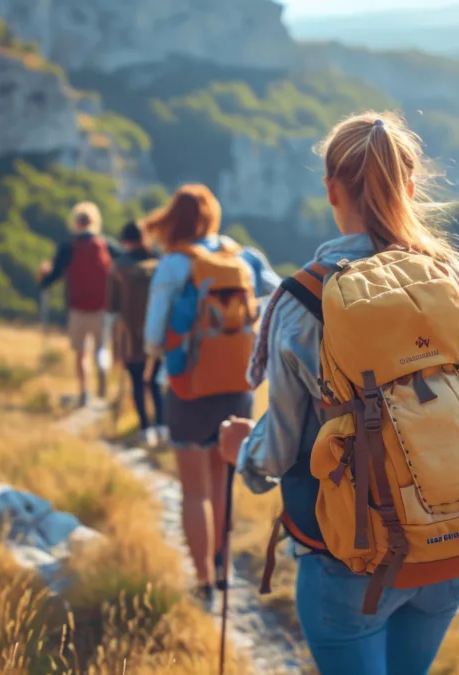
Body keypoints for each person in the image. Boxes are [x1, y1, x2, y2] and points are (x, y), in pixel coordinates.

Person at [218, 111, 459, 674]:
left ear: (330, 190)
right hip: (452, 552)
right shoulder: (456, 280)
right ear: (411, 186)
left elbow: (277, 451)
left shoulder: (303, 302)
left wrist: (242, 455)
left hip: (348, 563)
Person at [141, 184, 280, 609]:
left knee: (194, 489)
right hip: (239, 384)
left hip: (189, 386)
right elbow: (281, 295)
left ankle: (202, 579)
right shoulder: (246, 257)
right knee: (222, 484)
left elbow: (151, 337)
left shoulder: (175, 263)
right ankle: (222, 571)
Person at [38, 202, 121, 408]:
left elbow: (53, 276)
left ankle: (84, 392)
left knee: (81, 352)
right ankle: (103, 373)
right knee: (102, 348)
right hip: (103, 307)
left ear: (76, 222)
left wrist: (43, 275)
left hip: (78, 307)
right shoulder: (106, 246)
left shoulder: (68, 247)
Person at [107, 221, 167, 447]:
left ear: (125, 240)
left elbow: (111, 306)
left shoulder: (119, 266)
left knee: (136, 380)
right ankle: (161, 425)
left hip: (129, 334)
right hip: (158, 332)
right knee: (155, 381)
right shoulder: (159, 264)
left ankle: (145, 428)